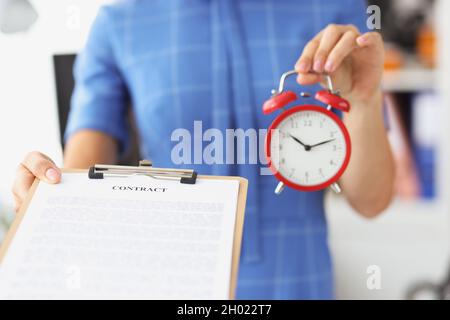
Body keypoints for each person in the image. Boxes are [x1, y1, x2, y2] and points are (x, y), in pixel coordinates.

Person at [11, 0, 394, 299]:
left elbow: (372, 200)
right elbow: (82, 178)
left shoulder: (331, 9)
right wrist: (51, 197)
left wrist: (363, 99)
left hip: (300, 286)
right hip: (170, 288)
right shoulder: (118, 24)